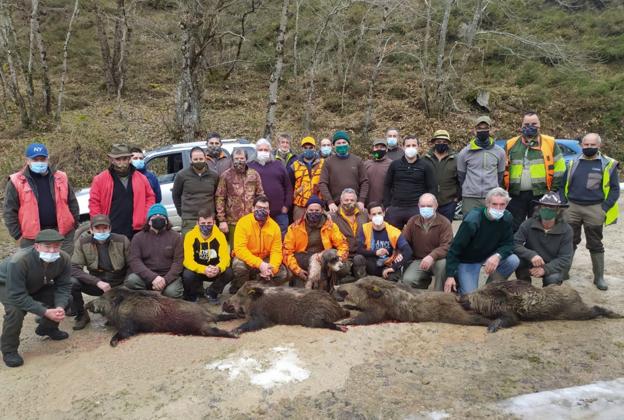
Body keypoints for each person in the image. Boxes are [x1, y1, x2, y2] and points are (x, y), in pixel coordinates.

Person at [0, 230, 71, 368]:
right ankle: (9, 350)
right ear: (37, 246)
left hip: (36, 283)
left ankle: (47, 328)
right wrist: (44, 311)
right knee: (15, 312)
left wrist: (60, 307)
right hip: (7, 285)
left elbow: (64, 286)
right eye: (47, 246)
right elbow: (17, 295)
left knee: (66, 299)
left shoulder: (64, 258)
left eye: (56, 246)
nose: (52, 250)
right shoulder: (19, 260)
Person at [562, 133, 620, 291]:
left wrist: (604, 208)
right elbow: (562, 185)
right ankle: (564, 272)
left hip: (595, 208)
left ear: (599, 146)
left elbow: (615, 189)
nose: (589, 147)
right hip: (572, 207)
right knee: (569, 241)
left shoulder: (608, 164)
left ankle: (599, 277)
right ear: (582, 145)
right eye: (586, 145)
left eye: (592, 145)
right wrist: (564, 203)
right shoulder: (572, 162)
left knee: (595, 243)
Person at [4, 143, 79, 255]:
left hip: (63, 233)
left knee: (64, 266)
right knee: (35, 270)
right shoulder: (16, 181)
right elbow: (9, 211)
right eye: (35, 159)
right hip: (32, 238)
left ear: (48, 159)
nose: (39, 162)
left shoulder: (61, 177)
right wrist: (17, 235)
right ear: (27, 160)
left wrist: (74, 224)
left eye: (42, 159)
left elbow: (72, 202)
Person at [444, 188, 520, 296]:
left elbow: (508, 243)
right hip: (468, 260)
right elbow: (455, 248)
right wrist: (450, 275)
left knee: (513, 260)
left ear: (506, 204)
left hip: (490, 255)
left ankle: (490, 289)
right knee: (470, 298)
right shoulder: (472, 220)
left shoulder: (507, 217)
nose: (498, 208)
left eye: (502, 204)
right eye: (494, 204)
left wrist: (497, 256)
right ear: (487, 203)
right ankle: (460, 284)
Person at [504, 112, 566, 231]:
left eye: (534, 124)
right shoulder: (511, 144)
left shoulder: (550, 143)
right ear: (521, 125)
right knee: (513, 228)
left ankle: (534, 250)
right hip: (515, 195)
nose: (530, 126)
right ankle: (516, 249)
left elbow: (560, 168)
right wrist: (503, 190)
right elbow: (503, 168)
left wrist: (552, 190)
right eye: (526, 124)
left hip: (540, 194)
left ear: (539, 125)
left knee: (537, 228)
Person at [70, 214, 131, 330]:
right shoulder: (82, 243)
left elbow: (132, 264)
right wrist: (97, 282)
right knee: (72, 282)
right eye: (97, 228)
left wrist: (125, 284)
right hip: (97, 283)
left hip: (119, 282)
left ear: (110, 229)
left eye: (105, 228)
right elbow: (73, 267)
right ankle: (82, 315)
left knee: (134, 281)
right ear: (91, 230)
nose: (101, 231)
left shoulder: (122, 240)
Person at [89, 144, 156, 239]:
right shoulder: (100, 179)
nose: (122, 162)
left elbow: (150, 197)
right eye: (118, 159)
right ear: (111, 160)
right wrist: (100, 224)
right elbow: (94, 203)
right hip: (111, 230)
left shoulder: (141, 178)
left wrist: (144, 216)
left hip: (136, 230)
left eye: (124, 159)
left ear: (129, 159)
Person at [284, 196, 350, 287]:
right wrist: (297, 270)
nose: (314, 213)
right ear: (306, 210)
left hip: (324, 258)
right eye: (311, 210)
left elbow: (343, 245)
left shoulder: (330, 226)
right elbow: (287, 252)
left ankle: (332, 287)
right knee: (301, 292)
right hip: (302, 259)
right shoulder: (294, 227)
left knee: (343, 267)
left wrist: (337, 259)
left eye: (317, 210)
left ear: (322, 210)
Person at [513, 192, 572, 287]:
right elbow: (515, 243)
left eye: (552, 207)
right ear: (539, 208)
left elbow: (565, 258)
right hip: (530, 261)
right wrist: (531, 255)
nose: (547, 210)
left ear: (558, 211)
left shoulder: (566, 229)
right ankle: (525, 287)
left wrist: (545, 269)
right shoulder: (528, 223)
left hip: (552, 265)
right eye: (544, 207)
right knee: (515, 260)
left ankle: (548, 296)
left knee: (553, 279)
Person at [230, 196, 288, 293]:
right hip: (247, 258)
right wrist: (260, 264)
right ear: (253, 208)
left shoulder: (275, 227)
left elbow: (276, 251)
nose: (261, 210)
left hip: (265, 259)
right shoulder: (243, 223)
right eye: (258, 207)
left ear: (269, 211)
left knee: (282, 274)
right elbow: (239, 249)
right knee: (238, 266)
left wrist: (271, 269)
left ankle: (259, 289)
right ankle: (242, 290)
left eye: (265, 208)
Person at [125, 204, 184, 298]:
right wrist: (153, 278)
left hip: (168, 276)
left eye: (161, 216)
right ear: (148, 221)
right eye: (154, 216)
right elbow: (134, 260)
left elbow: (178, 262)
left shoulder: (176, 237)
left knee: (173, 292)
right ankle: (147, 298)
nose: (158, 218)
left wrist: (165, 280)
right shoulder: (138, 237)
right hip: (146, 276)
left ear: (166, 220)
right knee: (131, 280)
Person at [400, 194, 453, 291]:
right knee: (408, 280)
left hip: (438, 260)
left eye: (429, 206)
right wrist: (399, 251)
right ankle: (423, 287)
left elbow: (446, 246)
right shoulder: (412, 221)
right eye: (423, 206)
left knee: (443, 265)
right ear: (418, 206)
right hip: (419, 260)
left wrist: (432, 256)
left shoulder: (445, 223)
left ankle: (438, 296)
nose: (426, 209)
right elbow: (404, 241)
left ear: (436, 206)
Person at [456, 116, 506, 215]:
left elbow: (500, 175)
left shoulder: (500, 152)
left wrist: (493, 191)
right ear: (475, 130)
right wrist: (469, 189)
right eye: (479, 128)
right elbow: (461, 176)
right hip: (470, 198)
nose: (482, 130)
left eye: (485, 128)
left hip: (491, 197)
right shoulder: (465, 152)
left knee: (490, 227)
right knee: (470, 226)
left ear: (490, 129)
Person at [383, 135, 435, 229]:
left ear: (418, 147)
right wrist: (387, 206)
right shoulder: (394, 165)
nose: (411, 148)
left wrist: (428, 207)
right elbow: (387, 185)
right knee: (392, 238)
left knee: (418, 238)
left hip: (416, 208)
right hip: (396, 208)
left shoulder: (426, 166)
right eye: (408, 145)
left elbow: (431, 187)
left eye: (414, 145)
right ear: (403, 147)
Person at [182, 209, 233, 303]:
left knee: (229, 272)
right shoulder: (190, 236)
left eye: (209, 223)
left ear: (214, 222)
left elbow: (226, 258)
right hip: (198, 271)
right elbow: (187, 261)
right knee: (187, 274)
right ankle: (193, 295)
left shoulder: (220, 236)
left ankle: (212, 292)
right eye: (203, 223)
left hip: (214, 270)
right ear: (197, 223)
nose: (206, 226)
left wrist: (218, 268)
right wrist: (204, 269)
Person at [215, 148, 264, 245]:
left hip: (252, 220)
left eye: (242, 158)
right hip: (233, 221)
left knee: (253, 247)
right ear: (232, 159)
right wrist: (222, 220)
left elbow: (260, 195)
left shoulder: (254, 174)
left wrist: (261, 214)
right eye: (236, 158)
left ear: (246, 159)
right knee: (236, 250)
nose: (239, 161)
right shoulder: (226, 175)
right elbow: (220, 198)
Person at [356, 202, 412, 282]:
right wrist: (376, 253)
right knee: (358, 259)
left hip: (388, 264)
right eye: (374, 214)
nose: (377, 216)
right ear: (369, 216)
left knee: (392, 278)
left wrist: (393, 267)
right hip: (371, 263)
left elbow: (408, 251)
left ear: (384, 213)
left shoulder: (393, 231)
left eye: (379, 213)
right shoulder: (364, 228)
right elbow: (359, 250)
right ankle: (362, 284)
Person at [248, 139, 292, 235]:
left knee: (281, 238)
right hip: (258, 212)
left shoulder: (278, 165)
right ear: (256, 152)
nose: (263, 152)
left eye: (266, 150)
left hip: (279, 212)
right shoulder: (250, 166)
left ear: (270, 151)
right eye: (260, 150)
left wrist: (286, 206)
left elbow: (288, 187)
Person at [318, 130, 369, 213]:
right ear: (333, 146)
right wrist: (330, 202)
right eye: (338, 143)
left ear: (348, 144)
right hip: (335, 206)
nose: (341, 145)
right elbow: (322, 183)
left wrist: (361, 200)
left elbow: (364, 182)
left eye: (344, 142)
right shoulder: (328, 162)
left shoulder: (358, 160)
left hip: (355, 205)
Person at [172, 146, 219, 235]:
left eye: (201, 159)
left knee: (210, 248)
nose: (198, 161)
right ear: (191, 160)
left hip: (208, 219)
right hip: (189, 219)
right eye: (196, 159)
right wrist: (182, 212)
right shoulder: (181, 175)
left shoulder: (214, 175)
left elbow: (217, 196)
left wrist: (215, 215)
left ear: (205, 158)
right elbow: (176, 195)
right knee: (189, 246)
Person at [330, 188, 368, 282]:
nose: (349, 202)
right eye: (346, 200)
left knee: (360, 260)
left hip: (362, 253)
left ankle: (360, 281)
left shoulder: (364, 213)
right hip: (343, 254)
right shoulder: (332, 216)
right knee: (340, 269)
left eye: (352, 200)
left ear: (356, 201)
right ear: (341, 201)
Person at [423, 130, 460, 222]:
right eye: (438, 142)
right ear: (434, 142)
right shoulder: (424, 159)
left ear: (448, 143)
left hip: (448, 202)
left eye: (444, 142)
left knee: (446, 229)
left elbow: (461, 179)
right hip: (428, 202)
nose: (441, 144)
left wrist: (457, 198)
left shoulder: (456, 159)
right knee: (428, 229)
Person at [289, 136, 325, 221]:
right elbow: (290, 185)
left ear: (315, 148)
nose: (308, 149)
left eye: (310, 147)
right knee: (298, 229)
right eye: (305, 148)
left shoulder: (323, 163)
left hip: (318, 204)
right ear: (302, 149)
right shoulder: (294, 165)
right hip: (300, 204)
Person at [363, 138, 393, 206]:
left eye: (382, 147)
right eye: (376, 147)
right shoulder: (366, 164)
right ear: (373, 149)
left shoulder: (392, 164)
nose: (379, 149)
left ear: (386, 149)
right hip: (368, 204)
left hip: (385, 204)